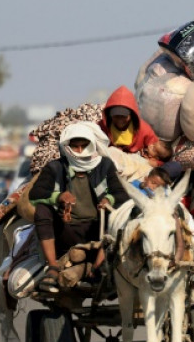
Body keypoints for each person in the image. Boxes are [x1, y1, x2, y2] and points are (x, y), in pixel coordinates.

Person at [29, 121, 129, 292]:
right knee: (42, 211)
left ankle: (97, 268)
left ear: (92, 145)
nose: (80, 150)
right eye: (75, 146)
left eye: (84, 145)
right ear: (67, 147)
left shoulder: (104, 165)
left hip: (98, 231)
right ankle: (52, 266)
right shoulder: (56, 167)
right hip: (66, 231)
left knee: (117, 218)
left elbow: (122, 194)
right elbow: (35, 194)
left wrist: (109, 200)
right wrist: (58, 196)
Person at [97, 85, 160, 158]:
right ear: (109, 114)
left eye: (124, 116)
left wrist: (152, 162)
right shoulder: (101, 128)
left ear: (132, 115)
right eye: (116, 116)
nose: (120, 120)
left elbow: (159, 155)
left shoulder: (144, 130)